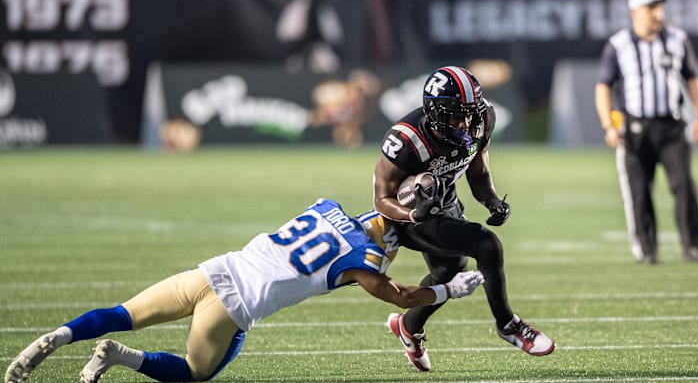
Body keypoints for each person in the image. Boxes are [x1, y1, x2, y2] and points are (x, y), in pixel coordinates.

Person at [4, 199, 484, 383]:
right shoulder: (363, 265)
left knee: (121, 310)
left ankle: (59, 338)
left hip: (213, 271)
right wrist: (450, 290)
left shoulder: (327, 206)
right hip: (234, 305)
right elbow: (402, 296)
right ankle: (118, 357)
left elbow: (364, 227)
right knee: (196, 373)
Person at [373, 65, 556, 372]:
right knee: (487, 245)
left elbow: (478, 171)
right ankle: (507, 323)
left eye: (469, 113)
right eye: (456, 114)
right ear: (434, 112)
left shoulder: (482, 119)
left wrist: (491, 200)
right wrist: (412, 213)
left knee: (449, 272)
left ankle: (408, 326)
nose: (465, 122)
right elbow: (381, 200)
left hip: (445, 202)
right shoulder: (406, 140)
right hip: (407, 216)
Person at [594, 0, 698, 264]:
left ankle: (693, 246)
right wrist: (608, 125)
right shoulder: (619, 44)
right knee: (638, 191)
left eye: (659, 7)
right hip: (635, 129)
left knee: (684, 185)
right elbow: (603, 86)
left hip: (671, 127)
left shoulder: (676, 38)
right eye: (651, 8)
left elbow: (692, 78)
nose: (658, 14)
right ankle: (646, 249)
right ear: (635, 12)